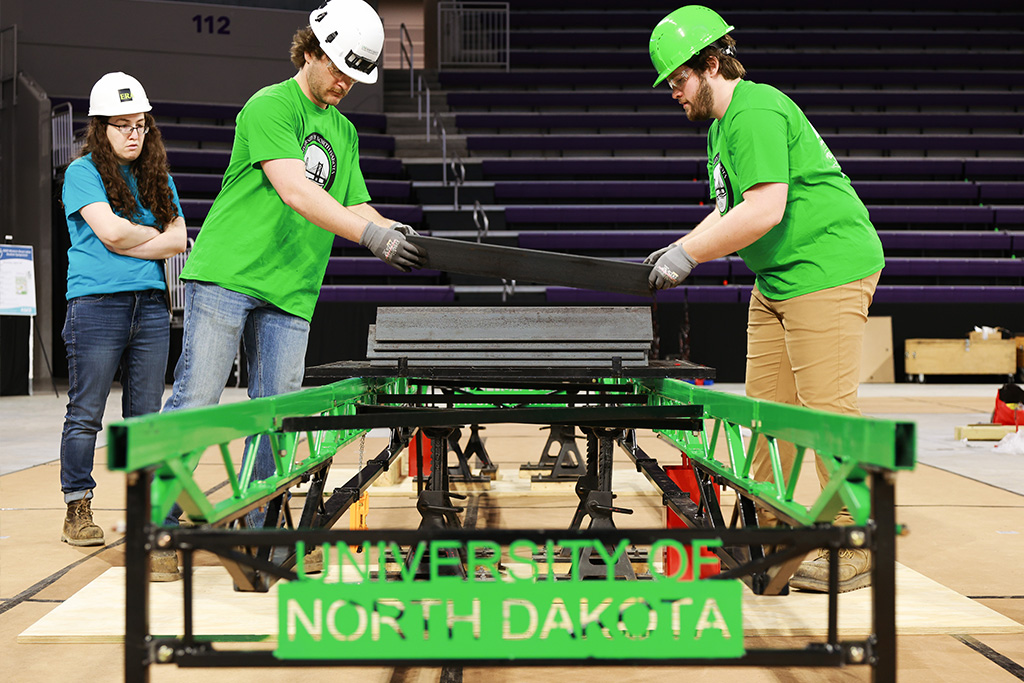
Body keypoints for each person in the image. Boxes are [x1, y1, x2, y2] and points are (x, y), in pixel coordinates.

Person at [156, 0, 423, 576]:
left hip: (293, 289)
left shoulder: (344, 130)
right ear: (309, 51)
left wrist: (393, 230)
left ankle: (264, 533)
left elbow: (352, 202)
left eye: (355, 76)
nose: (345, 83)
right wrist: (373, 236)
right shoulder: (270, 105)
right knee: (197, 404)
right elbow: (298, 192)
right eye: (337, 69)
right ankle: (161, 529)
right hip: (229, 274)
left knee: (278, 419)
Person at [646, 6, 885, 592]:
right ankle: (768, 529)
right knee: (762, 412)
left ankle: (858, 540)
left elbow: (765, 210)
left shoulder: (752, 110)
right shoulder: (722, 127)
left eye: (677, 81)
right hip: (780, 276)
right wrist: (680, 246)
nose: (673, 93)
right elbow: (731, 209)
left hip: (825, 268)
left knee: (823, 408)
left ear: (709, 65)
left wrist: (690, 256)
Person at [59, 72, 186, 547]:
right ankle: (77, 506)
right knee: (86, 412)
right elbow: (111, 232)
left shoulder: (158, 177)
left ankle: (149, 511)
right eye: (122, 125)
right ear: (101, 128)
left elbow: (181, 240)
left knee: (145, 416)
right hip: (96, 305)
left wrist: (135, 238)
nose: (134, 134)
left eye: (141, 125)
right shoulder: (82, 173)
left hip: (151, 307)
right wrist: (152, 238)